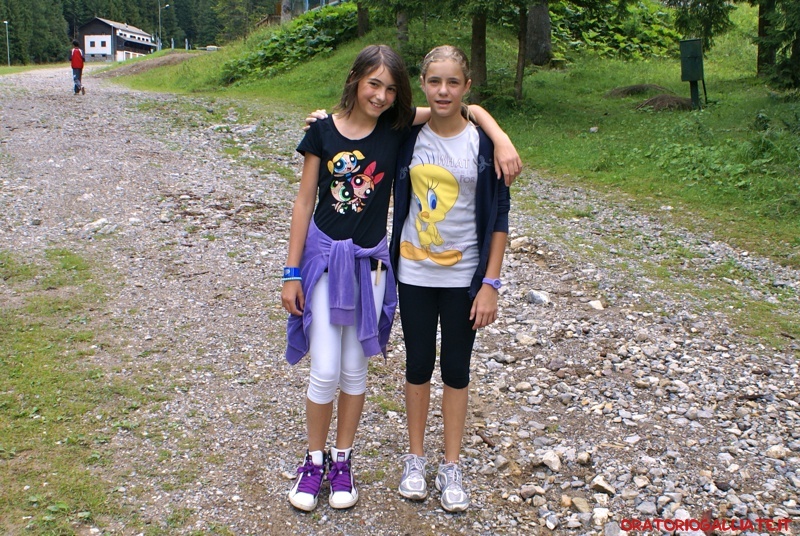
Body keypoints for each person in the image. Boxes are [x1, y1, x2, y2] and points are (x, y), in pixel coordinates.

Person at [283, 44, 520, 513]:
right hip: (361, 268)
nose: (381, 95)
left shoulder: (424, 135)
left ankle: (366, 461)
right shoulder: (354, 132)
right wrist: (291, 272)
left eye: (391, 89)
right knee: (337, 368)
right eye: (374, 84)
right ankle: (323, 461)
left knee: (382, 369)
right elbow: (305, 199)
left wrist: (499, 134)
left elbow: (462, 114)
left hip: (395, 269)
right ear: (355, 79)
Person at [390, 45, 512, 513]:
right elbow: (357, 126)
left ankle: (452, 464)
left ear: (467, 86)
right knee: (418, 364)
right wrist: (323, 120)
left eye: (453, 82)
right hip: (414, 272)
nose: (444, 91)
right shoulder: (407, 135)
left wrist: (490, 284)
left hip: (465, 278)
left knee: (457, 370)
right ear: (423, 83)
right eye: (435, 81)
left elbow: (499, 218)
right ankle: (415, 458)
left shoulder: (483, 144)